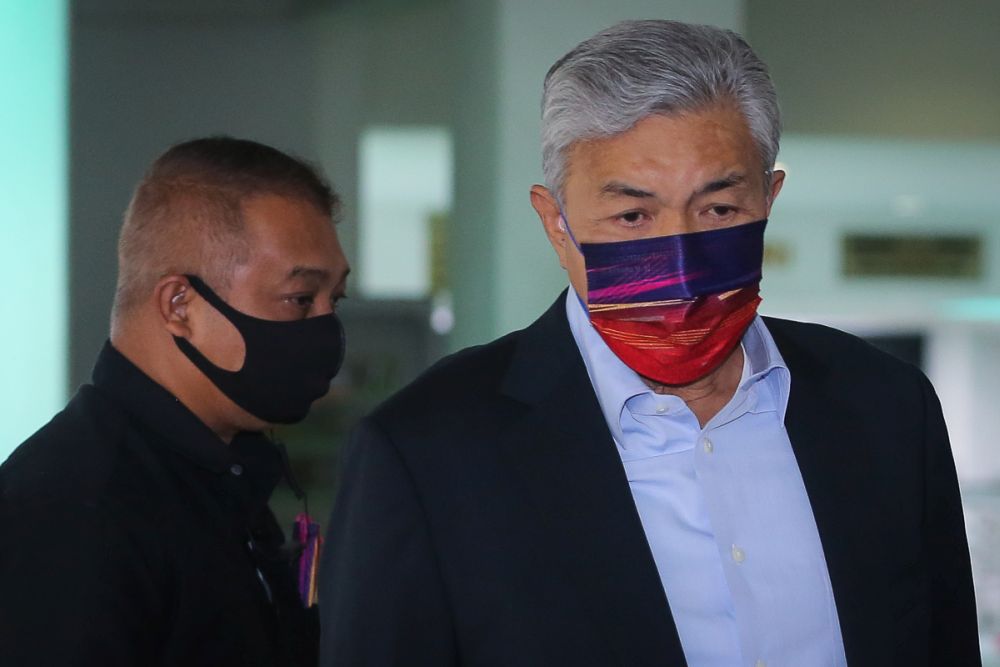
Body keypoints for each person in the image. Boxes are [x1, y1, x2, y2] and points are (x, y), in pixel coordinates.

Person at [319, 19, 981, 667]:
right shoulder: (425, 452)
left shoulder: (889, 407)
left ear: (769, 199)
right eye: (633, 216)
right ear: (556, 224)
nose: (684, 269)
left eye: (719, 211)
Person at [0, 137, 350, 666]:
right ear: (179, 305)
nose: (326, 328)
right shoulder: (71, 512)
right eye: (300, 300)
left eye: (335, 300)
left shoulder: (225, 478)